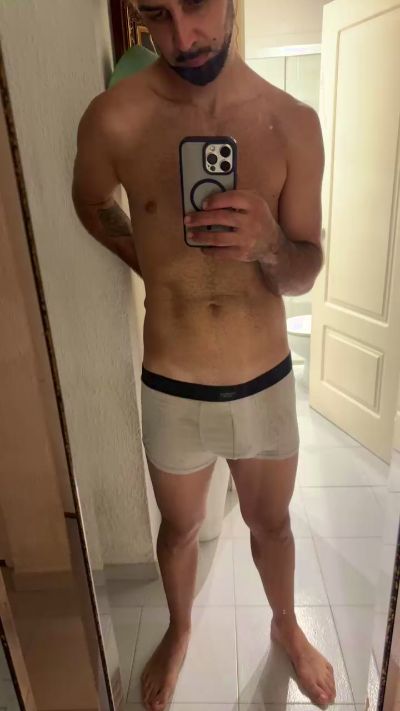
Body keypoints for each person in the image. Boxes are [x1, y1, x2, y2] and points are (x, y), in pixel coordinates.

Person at [72, 1, 336, 709]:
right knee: (181, 528)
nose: (182, 37)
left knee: (271, 525)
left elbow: (306, 270)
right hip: (172, 383)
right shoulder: (115, 118)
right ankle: (181, 628)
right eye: (157, 13)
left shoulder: (292, 123)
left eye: (195, 3)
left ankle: (286, 625)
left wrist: (270, 245)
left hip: (264, 381)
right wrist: (150, 262)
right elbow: (90, 200)